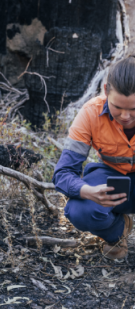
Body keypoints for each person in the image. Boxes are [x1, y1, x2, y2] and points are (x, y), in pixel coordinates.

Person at [52, 56, 135, 260]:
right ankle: (117, 232)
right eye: (118, 107)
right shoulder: (90, 114)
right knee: (79, 210)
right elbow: (63, 173)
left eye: (133, 109)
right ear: (106, 90)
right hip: (112, 181)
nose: (125, 116)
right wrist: (87, 191)